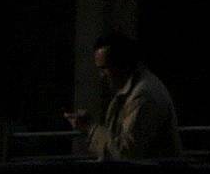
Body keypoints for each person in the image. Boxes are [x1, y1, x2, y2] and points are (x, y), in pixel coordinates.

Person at [65, 30, 182, 161]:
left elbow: (126, 153)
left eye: (104, 69)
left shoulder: (143, 95)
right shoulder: (127, 91)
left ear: (122, 64)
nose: (101, 76)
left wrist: (90, 128)